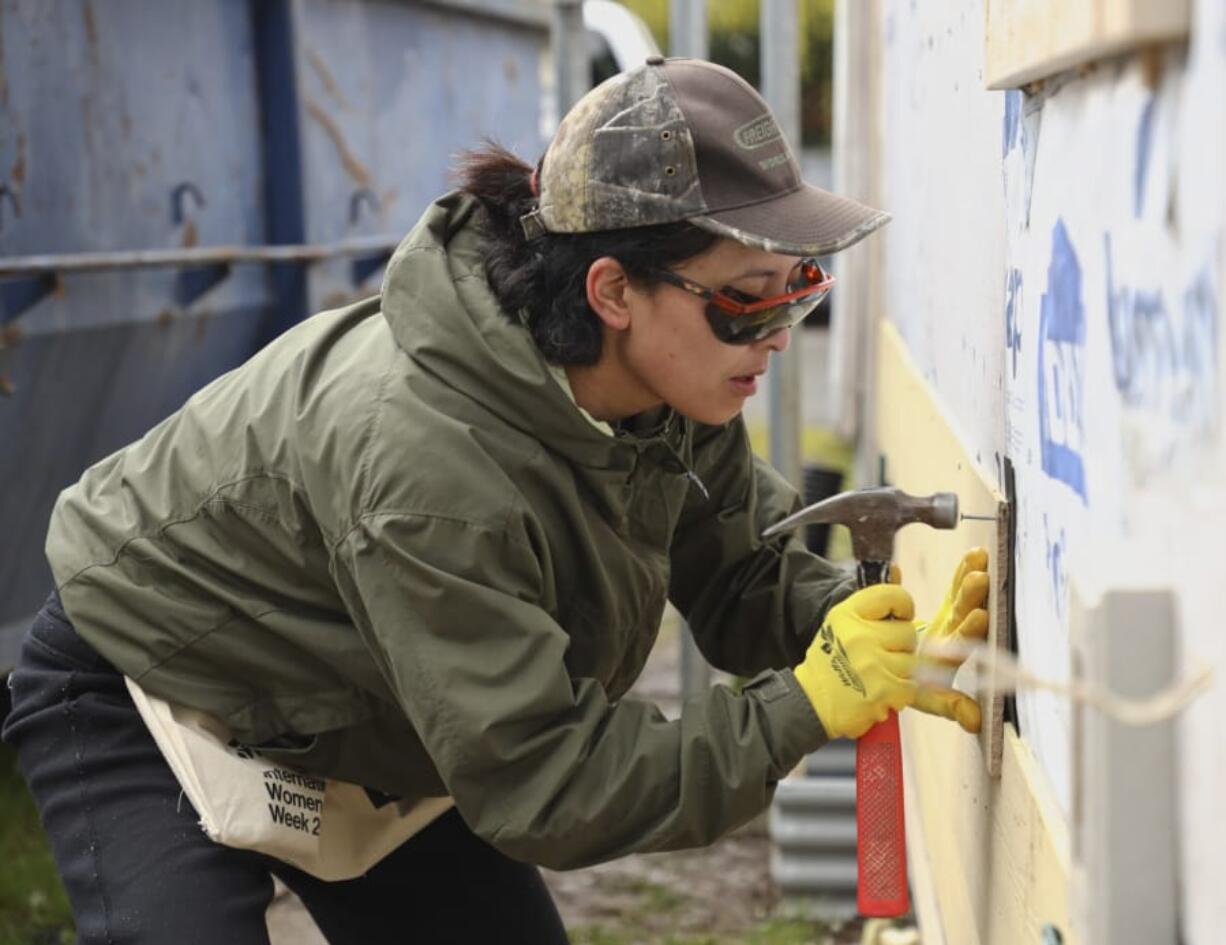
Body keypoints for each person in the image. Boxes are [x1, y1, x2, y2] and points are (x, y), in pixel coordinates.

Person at [2, 57, 989, 944]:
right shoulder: (434, 474)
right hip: (153, 683)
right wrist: (802, 705)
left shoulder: (668, 387)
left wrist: (866, 634)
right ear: (610, 290)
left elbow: (736, 570)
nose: (776, 333)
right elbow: (547, 783)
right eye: (745, 299)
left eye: (799, 287)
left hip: (358, 705)